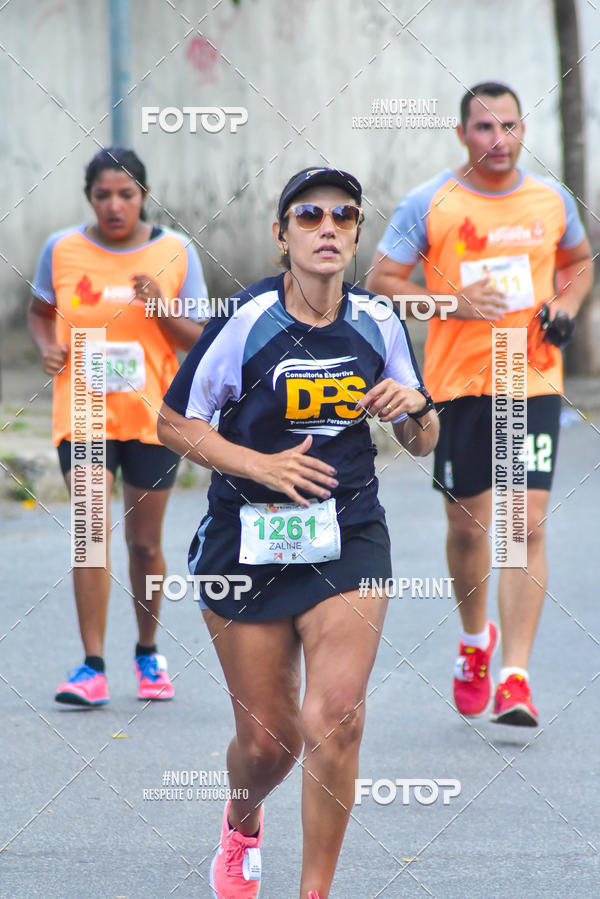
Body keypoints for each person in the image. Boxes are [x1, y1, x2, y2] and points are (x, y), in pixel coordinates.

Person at [157, 166, 439, 898]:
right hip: (245, 541)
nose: (327, 227)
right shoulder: (248, 320)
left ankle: (315, 890)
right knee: (268, 743)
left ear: (353, 235)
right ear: (281, 235)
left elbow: (422, 437)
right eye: (308, 215)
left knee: (336, 718)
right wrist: (261, 464)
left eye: (343, 216)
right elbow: (173, 421)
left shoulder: (378, 320)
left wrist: (415, 406)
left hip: (348, 534)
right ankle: (242, 819)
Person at [366, 82, 593, 727]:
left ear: (524, 131)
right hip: (458, 384)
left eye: (510, 127)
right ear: (462, 133)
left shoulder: (551, 201)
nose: (498, 140)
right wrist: (452, 305)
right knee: (468, 528)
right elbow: (382, 282)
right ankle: (475, 641)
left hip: (529, 379)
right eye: (484, 128)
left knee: (525, 525)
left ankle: (515, 678)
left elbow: (578, 260)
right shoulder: (428, 201)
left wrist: (567, 306)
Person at [29, 147, 208, 706]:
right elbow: (40, 312)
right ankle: (92, 666)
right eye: (103, 195)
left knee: (145, 544)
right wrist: (47, 349)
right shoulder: (61, 249)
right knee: (89, 538)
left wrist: (159, 308)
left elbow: (199, 341)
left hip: (152, 416)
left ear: (144, 197)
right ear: (89, 198)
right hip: (81, 412)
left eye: (126, 194)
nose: (114, 205)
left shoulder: (175, 251)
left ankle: (148, 652)